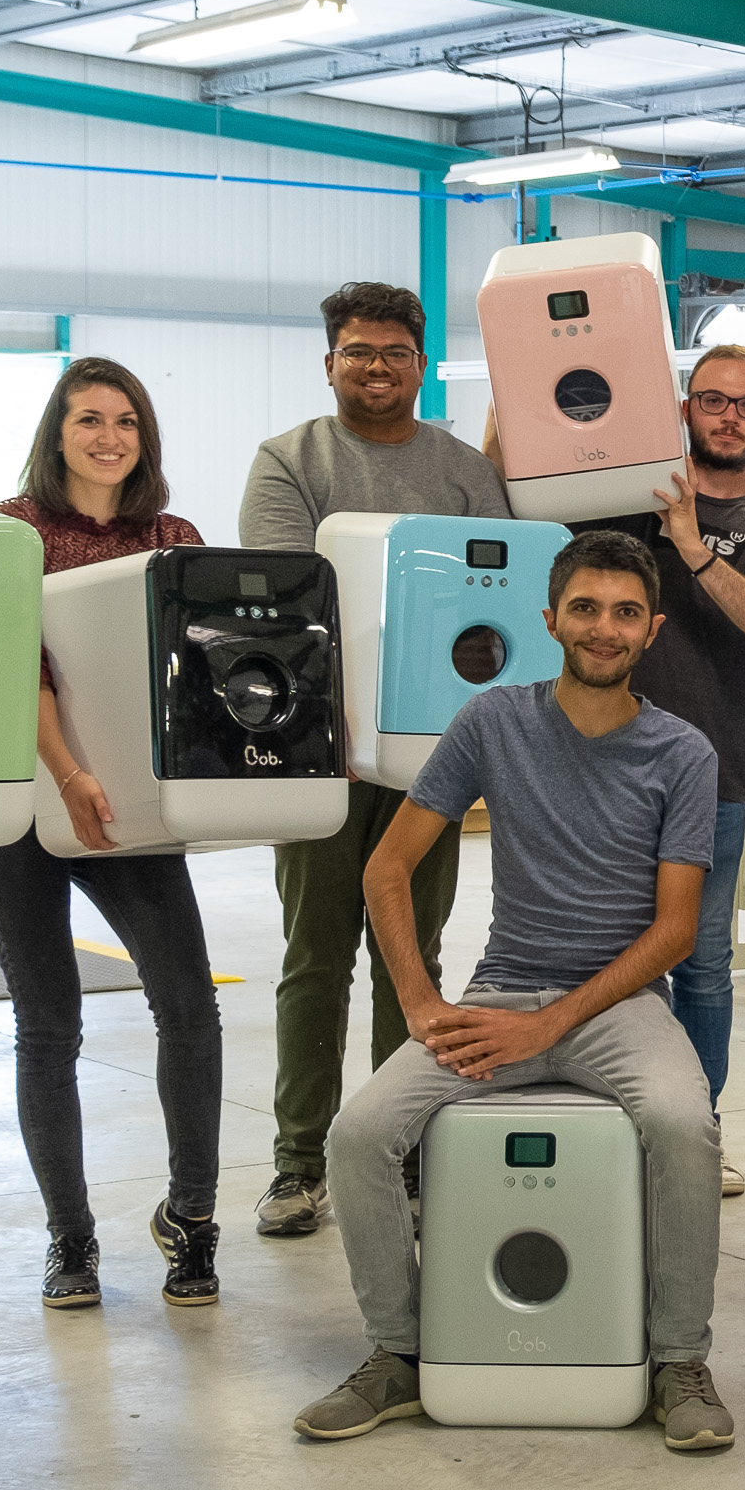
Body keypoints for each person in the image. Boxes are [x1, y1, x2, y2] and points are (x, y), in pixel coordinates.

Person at [295, 531, 734, 1450]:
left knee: (684, 1126)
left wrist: (551, 1026)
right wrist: (421, 1004)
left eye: (623, 612)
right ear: (550, 619)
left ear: (651, 629)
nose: (603, 628)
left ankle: (678, 1361)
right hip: (500, 990)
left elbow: (675, 931)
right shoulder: (493, 720)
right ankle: (399, 1355)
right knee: (361, 1133)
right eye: (585, 608)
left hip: (617, 1005)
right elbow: (386, 869)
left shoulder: (683, 751)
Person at [232, 281, 512, 1242]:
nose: (377, 366)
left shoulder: (466, 471)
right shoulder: (291, 461)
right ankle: (298, 1164)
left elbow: (503, 614)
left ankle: (400, 1149)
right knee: (315, 958)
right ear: (330, 362)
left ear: (420, 363)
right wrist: (337, 728)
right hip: (315, 754)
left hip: (431, 762)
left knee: (410, 959)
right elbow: (280, 605)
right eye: (358, 351)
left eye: (394, 351)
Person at [0, 358, 229, 1312]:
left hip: (133, 810)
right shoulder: (8, 531)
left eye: (126, 420)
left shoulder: (175, 539)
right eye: (89, 418)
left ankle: (192, 1220)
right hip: (18, 808)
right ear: (58, 430)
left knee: (188, 1007)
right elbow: (12, 663)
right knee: (49, 1024)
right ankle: (69, 1240)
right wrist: (68, 772)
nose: (108, 435)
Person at [569, 341, 745, 1198]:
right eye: (713, 400)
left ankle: (693, 1136)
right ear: (685, 409)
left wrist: (696, 549)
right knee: (602, 951)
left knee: (704, 962)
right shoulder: (623, 511)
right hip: (600, 770)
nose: (729, 417)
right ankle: (614, 1126)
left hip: (714, 778)